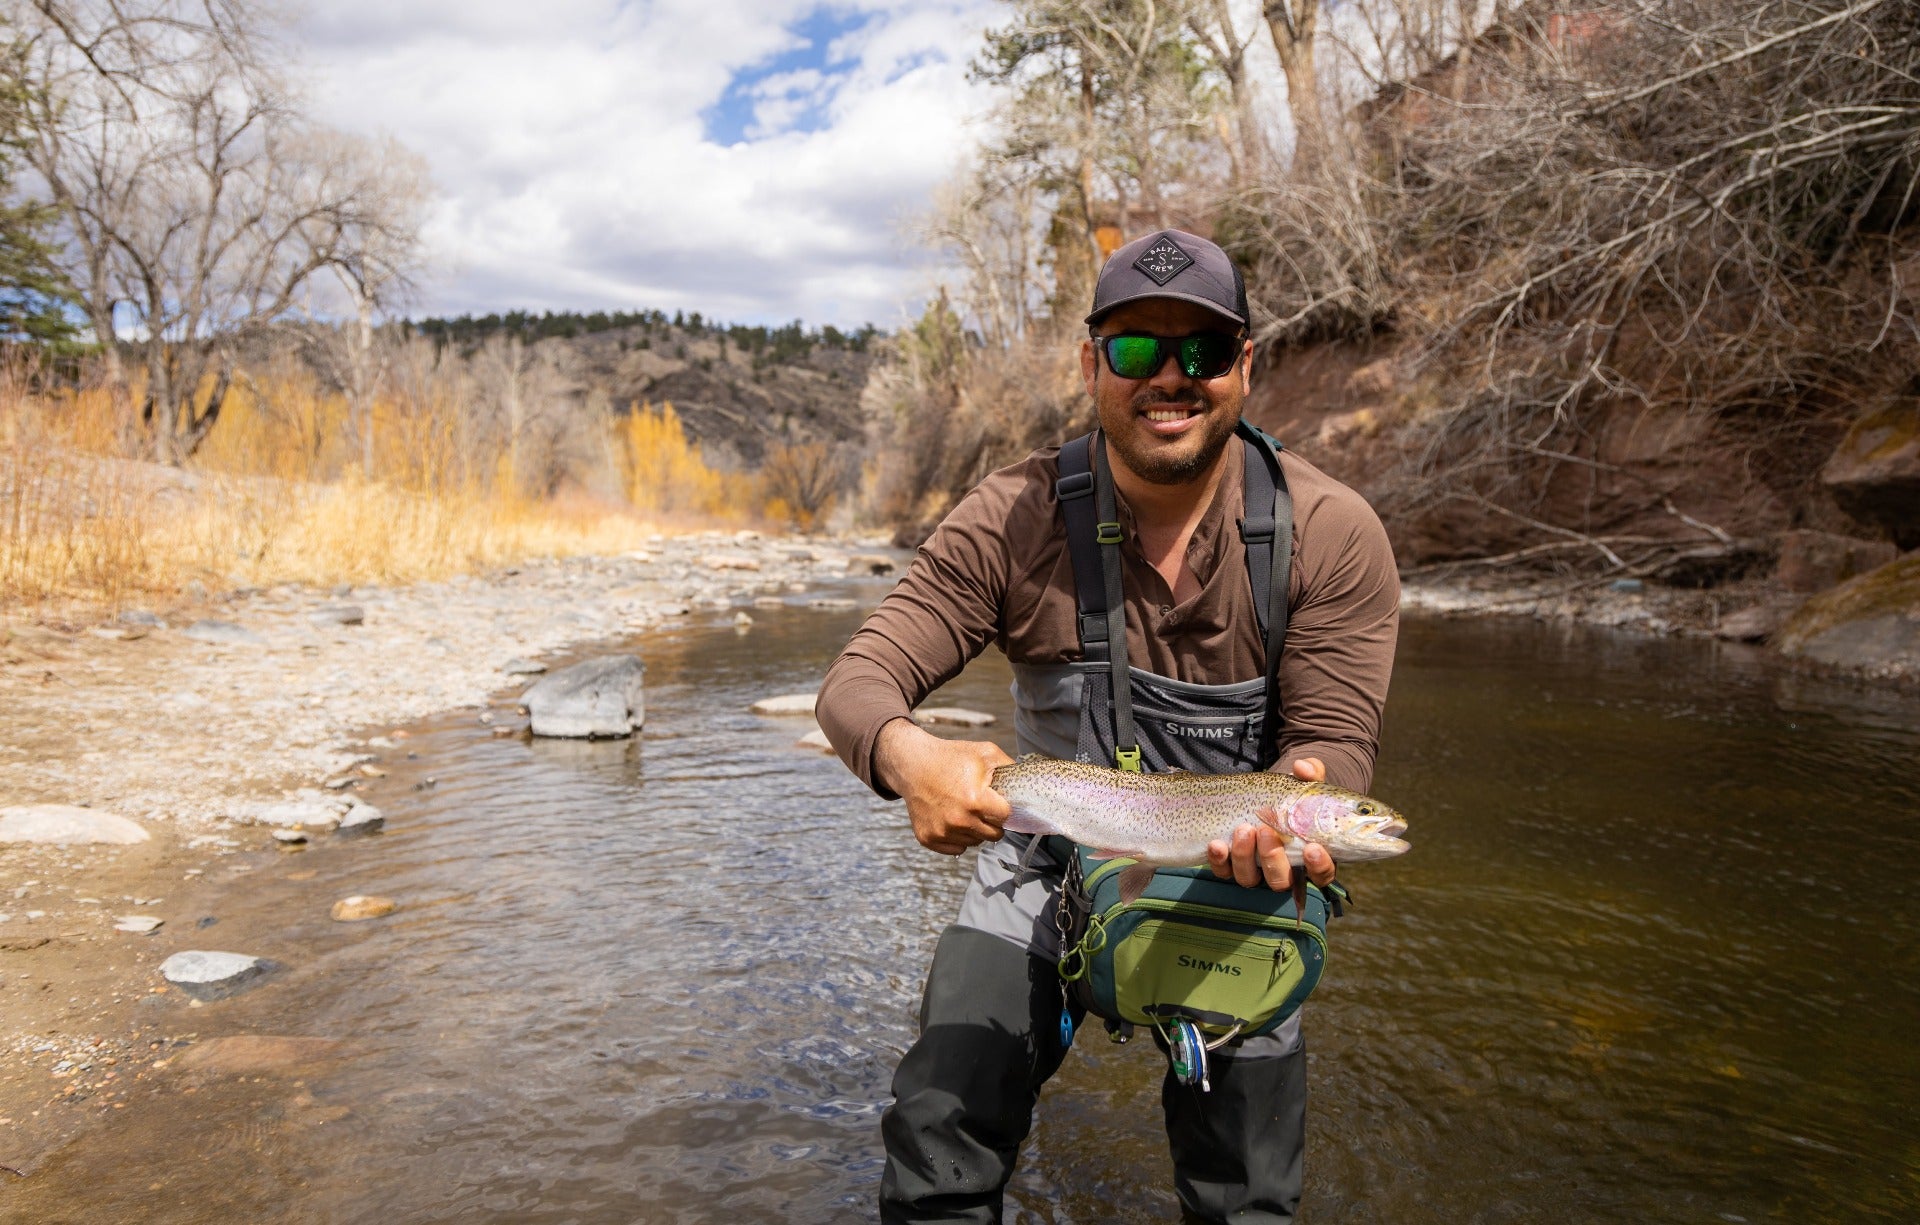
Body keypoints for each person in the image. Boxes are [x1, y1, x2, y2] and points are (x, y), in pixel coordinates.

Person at [816, 229, 1399, 1224]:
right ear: (1092, 366)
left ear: (1246, 368)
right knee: (936, 1132)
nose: (1171, 378)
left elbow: (1333, 742)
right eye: (1136, 351)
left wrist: (1306, 804)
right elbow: (860, 679)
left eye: (1204, 353)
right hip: (1047, 864)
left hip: (1237, 874)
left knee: (1247, 1197)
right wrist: (905, 753)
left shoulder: (1332, 531)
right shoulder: (1010, 518)